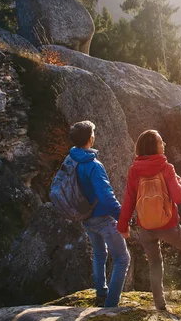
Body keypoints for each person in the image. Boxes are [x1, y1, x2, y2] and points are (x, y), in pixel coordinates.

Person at [117, 129, 181, 310]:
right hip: (168, 226)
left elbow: (129, 200)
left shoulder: (134, 170)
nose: (164, 145)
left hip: (145, 227)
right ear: (154, 147)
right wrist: (180, 182)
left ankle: (160, 305)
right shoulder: (166, 167)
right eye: (161, 142)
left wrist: (123, 226)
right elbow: (179, 197)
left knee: (155, 263)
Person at [68, 120, 130, 307]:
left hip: (85, 216)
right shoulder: (93, 165)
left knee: (99, 254)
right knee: (122, 258)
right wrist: (123, 220)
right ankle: (111, 305)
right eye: (93, 132)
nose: (94, 135)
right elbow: (107, 197)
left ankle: (101, 293)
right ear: (90, 138)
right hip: (102, 218)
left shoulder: (72, 159)